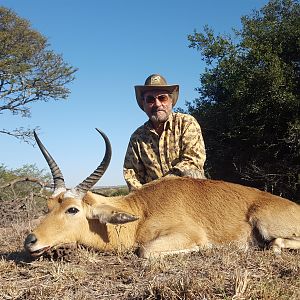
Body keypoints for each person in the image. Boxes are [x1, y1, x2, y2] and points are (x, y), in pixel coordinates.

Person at [123, 74, 206, 191]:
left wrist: (161, 189)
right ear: (144, 104)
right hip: (154, 203)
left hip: (190, 195)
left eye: (162, 98)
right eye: (150, 99)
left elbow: (192, 163)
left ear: (171, 101)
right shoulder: (137, 138)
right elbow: (132, 175)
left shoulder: (186, 123)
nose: (157, 104)